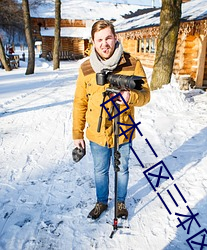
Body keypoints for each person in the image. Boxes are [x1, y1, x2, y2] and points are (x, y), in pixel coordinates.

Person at [72, 20, 150, 220]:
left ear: (115, 38)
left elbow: (146, 95)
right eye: (99, 40)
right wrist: (77, 134)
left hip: (123, 129)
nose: (104, 43)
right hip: (97, 132)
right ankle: (101, 202)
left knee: (122, 168)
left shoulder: (132, 64)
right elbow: (80, 102)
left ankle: (121, 202)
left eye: (108, 38)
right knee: (100, 170)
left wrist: (130, 97)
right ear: (93, 42)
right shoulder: (86, 68)